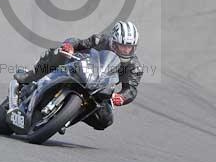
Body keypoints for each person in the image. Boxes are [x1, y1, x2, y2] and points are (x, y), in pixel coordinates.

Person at [15, 20, 143, 130]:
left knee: (105, 120)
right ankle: (31, 76)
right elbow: (79, 42)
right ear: (113, 42)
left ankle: (70, 114)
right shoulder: (100, 40)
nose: (126, 50)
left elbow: (131, 89)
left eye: (129, 47)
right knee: (59, 53)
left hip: (101, 88)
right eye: (122, 46)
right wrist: (70, 46)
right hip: (82, 70)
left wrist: (121, 97)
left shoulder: (134, 65)